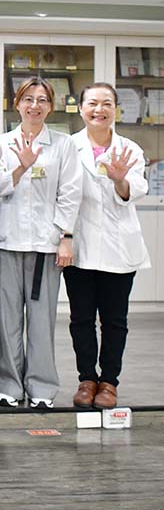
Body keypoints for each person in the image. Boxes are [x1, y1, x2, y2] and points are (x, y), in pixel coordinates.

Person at [0, 77, 81, 410]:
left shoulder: (63, 144)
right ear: (18, 103)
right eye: (28, 99)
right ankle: (9, 385)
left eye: (42, 100)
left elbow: (70, 194)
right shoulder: (3, 143)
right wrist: (21, 167)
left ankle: (42, 386)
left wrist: (64, 237)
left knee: (41, 320)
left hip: (45, 244)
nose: (35, 105)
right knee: (8, 318)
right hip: (8, 241)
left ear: (51, 107)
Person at [65, 83, 150, 409]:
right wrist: (64, 237)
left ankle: (109, 382)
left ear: (116, 109)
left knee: (115, 320)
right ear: (82, 108)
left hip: (118, 248)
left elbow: (135, 190)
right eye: (92, 103)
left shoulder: (130, 149)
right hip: (80, 246)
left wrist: (119, 179)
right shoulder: (68, 147)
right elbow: (63, 196)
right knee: (81, 319)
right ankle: (87, 378)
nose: (98, 110)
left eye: (106, 104)